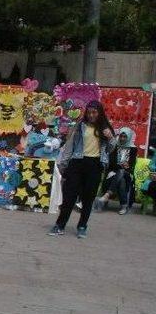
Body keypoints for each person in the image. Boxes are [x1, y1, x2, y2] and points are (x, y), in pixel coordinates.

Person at [49, 101, 116, 238]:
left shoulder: (105, 128)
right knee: (69, 196)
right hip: (77, 163)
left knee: (88, 198)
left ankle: (82, 226)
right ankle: (60, 225)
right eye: (89, 112)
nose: (91, 115)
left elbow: (110, 149)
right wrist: (63, 164)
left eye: (94, 112)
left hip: (95, 165)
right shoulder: (80, 126)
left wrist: (110, 138)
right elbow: (70, 145)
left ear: (99, 113)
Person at [95, 127, 137, 215]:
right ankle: (124, 206)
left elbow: (131, 165)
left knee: (122, 172)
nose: (122, 138)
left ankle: (107, 195)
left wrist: (125, 166)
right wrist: (122, 165)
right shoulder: (115, 146)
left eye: (125, 137)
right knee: (121, 180)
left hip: (127, 174)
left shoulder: (133, 149)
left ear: (128, 137)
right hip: (113, 172)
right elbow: (112, 163)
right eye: (121, 136)